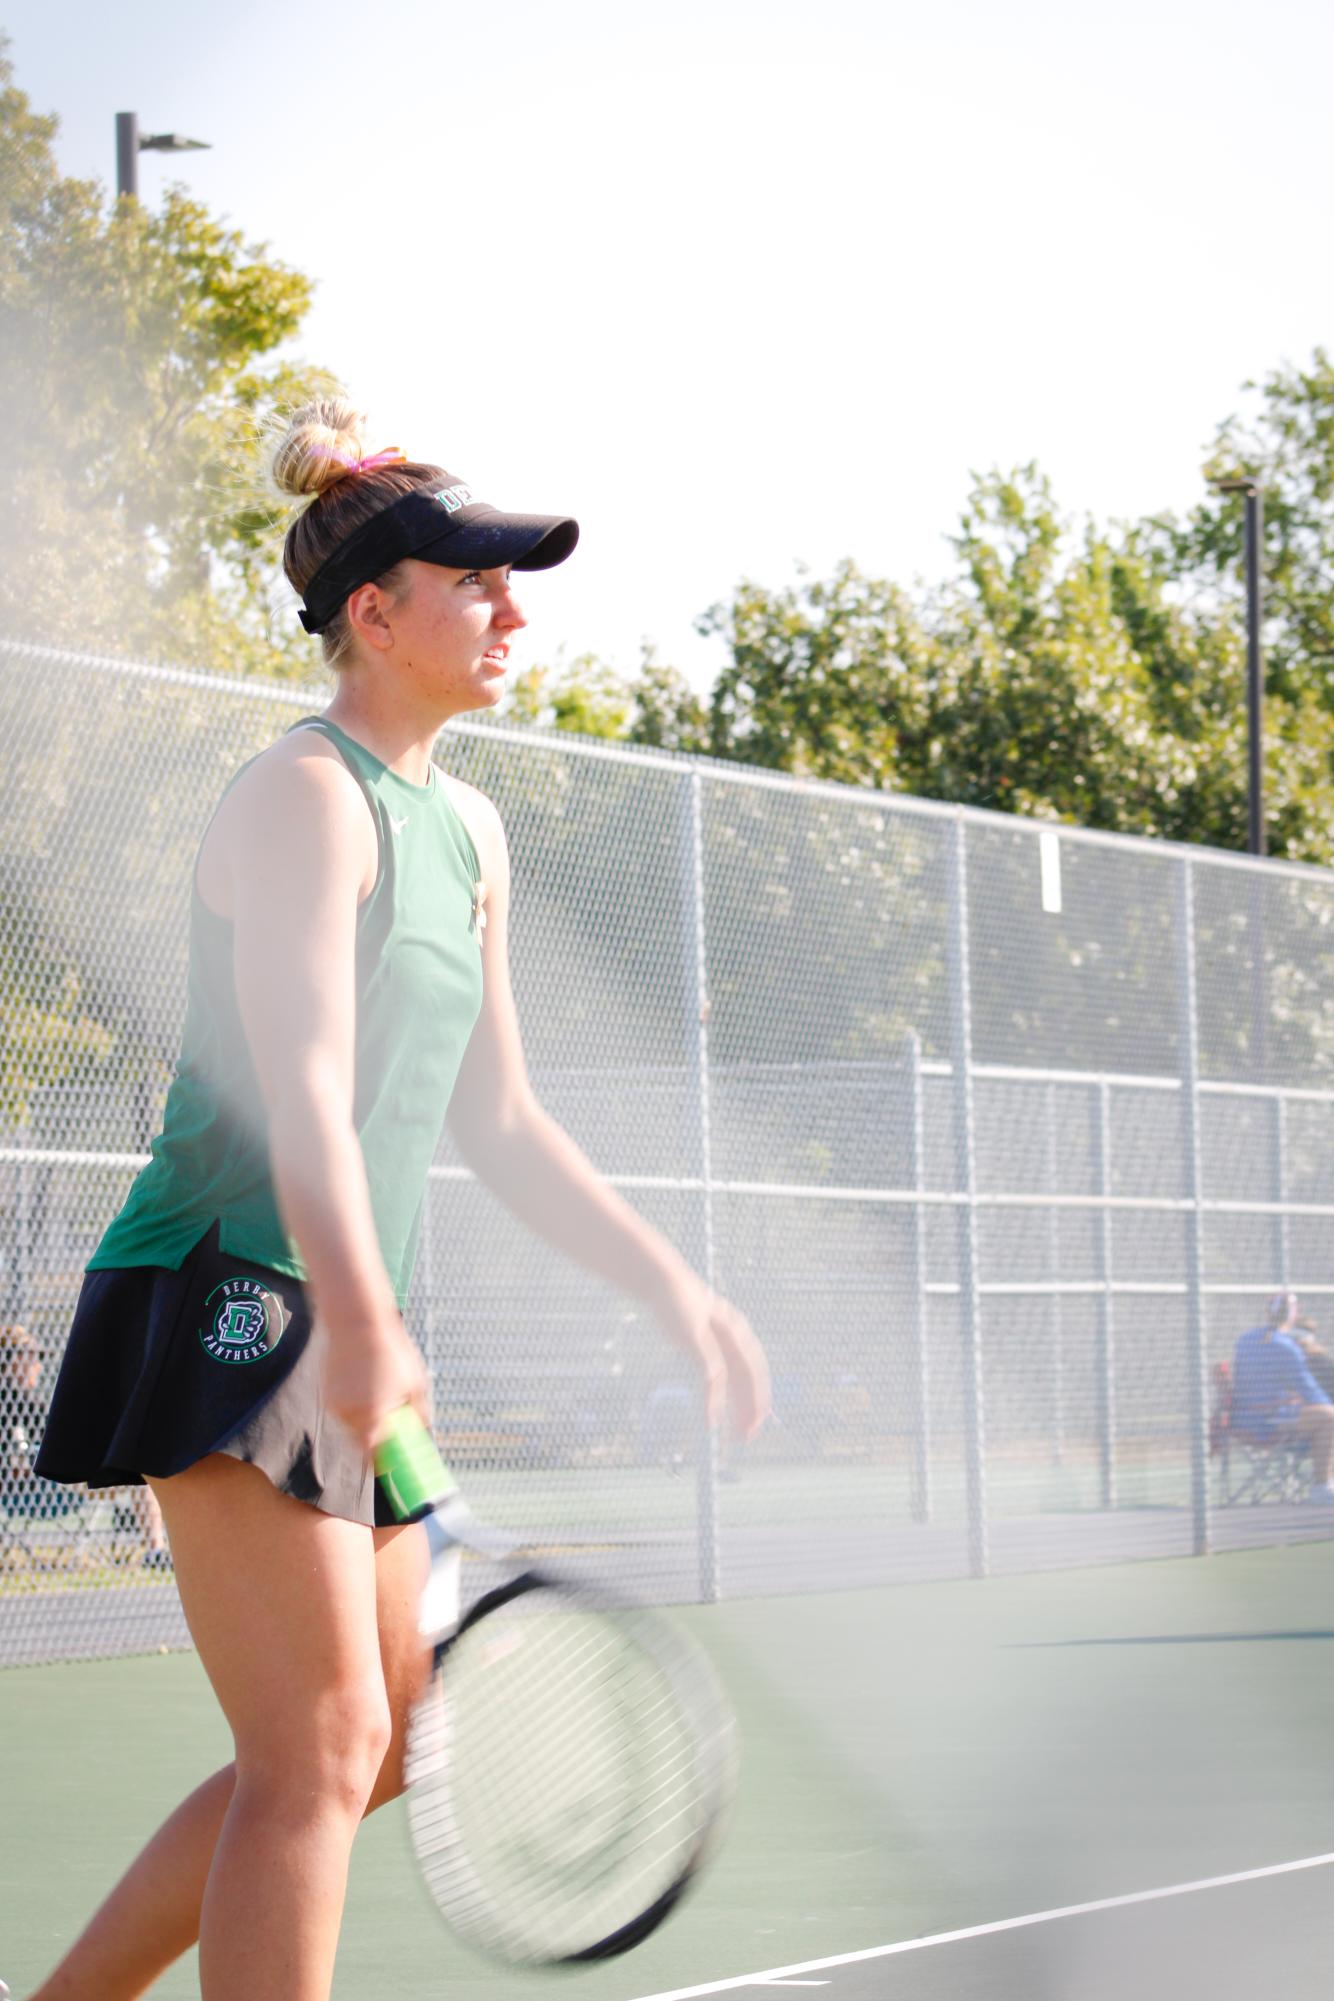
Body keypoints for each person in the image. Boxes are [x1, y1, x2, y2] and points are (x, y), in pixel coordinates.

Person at [23, 399, 771, 2001]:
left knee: (386, 1730)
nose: (513, 611)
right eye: (476, 583)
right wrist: (364, 1320)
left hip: (337, 1306)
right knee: (322, 1739)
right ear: (374, 613)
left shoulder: (471, 830)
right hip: (229, 1284)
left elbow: (496, 1119)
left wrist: (670, 1285)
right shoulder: (304, 794)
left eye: (515, 585)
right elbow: (301, 1080)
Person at [1230, 1291, 1334, 1501]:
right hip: (1268, 1420)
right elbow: (1310, 1391)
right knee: (1328, 1416)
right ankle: (1322, 1487)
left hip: (1244, 1417)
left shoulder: (1245, 1340)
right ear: (1293, 1315)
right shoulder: (1286, 1346)